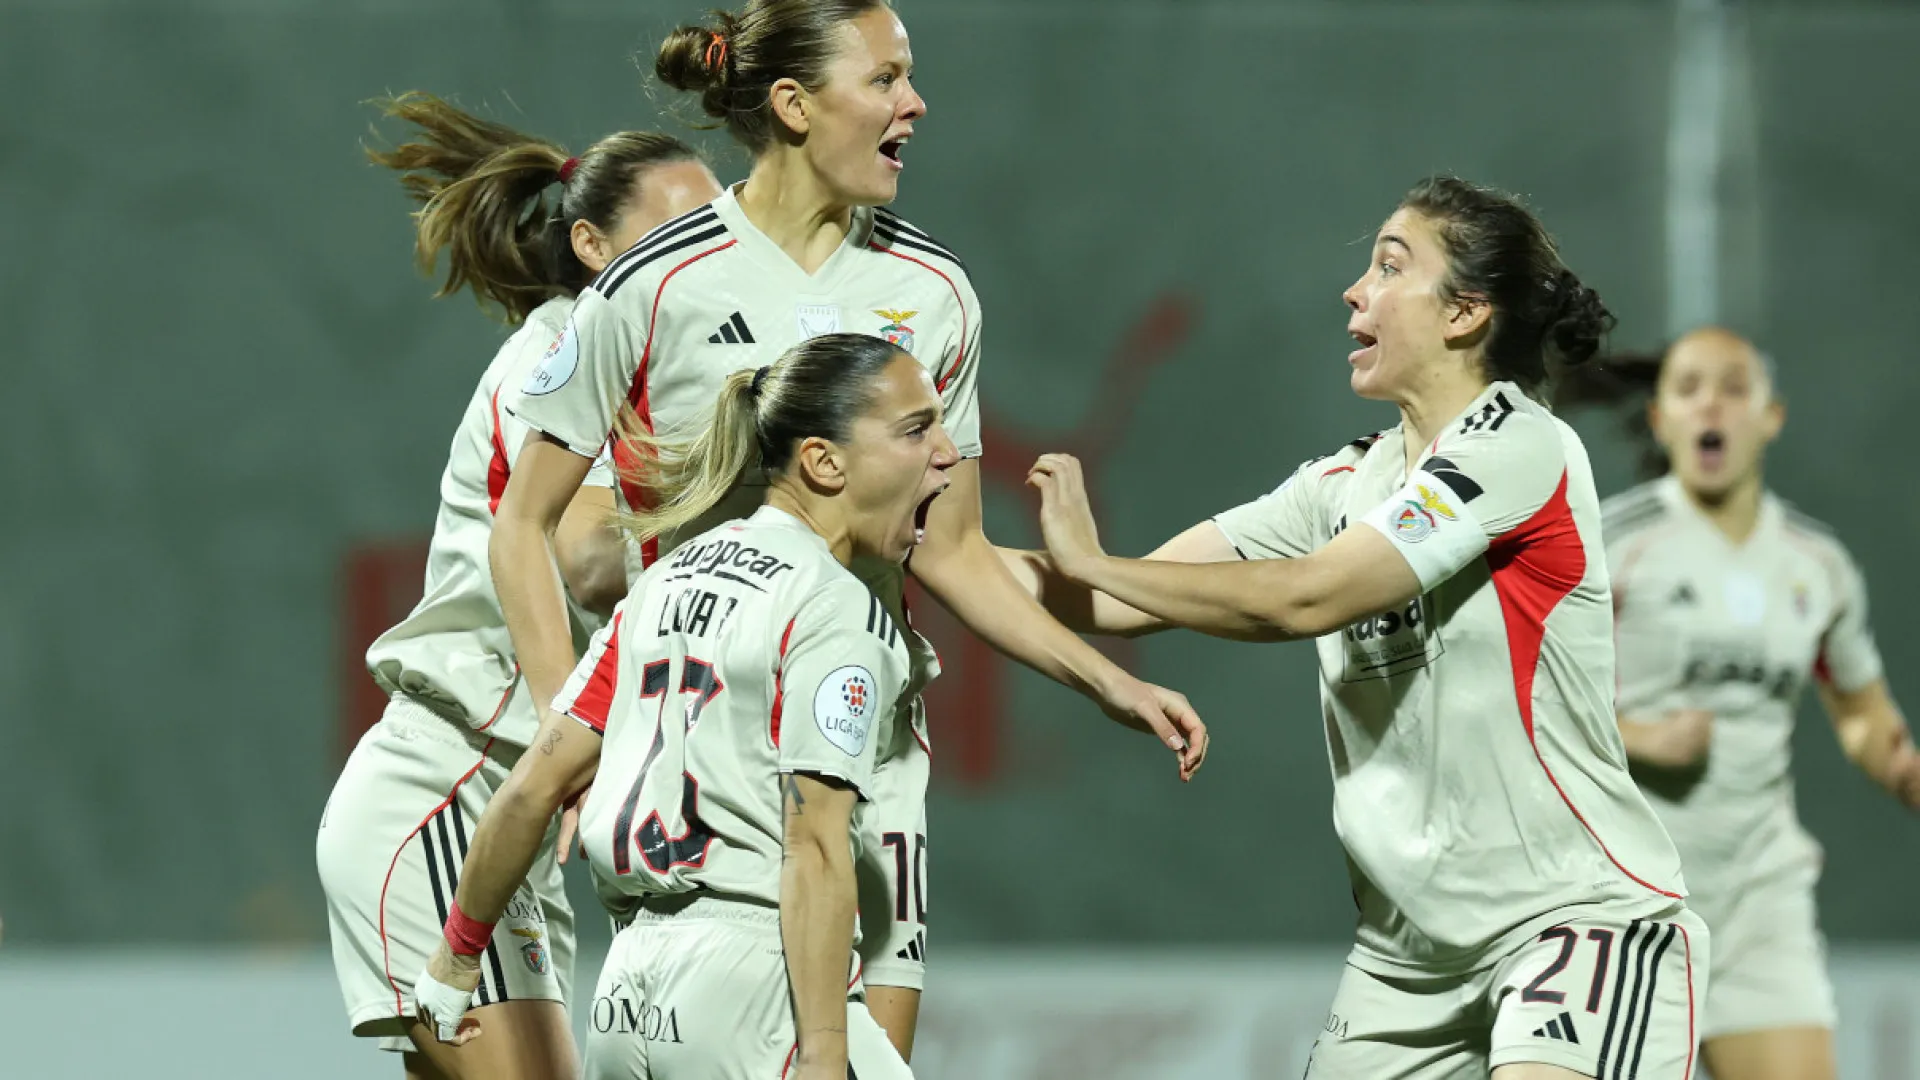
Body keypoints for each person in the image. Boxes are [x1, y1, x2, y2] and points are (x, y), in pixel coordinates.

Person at [488, 0, 1207, 1057]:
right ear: (792, 103)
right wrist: (578, 730)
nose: (914, 103)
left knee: (868, 1053)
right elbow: (524, 527)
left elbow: (951, 551)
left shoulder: (936, 293)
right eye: (883, 79)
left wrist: (1110, 679)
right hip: (706, 747)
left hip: (861, 725)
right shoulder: (656, 286)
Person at [1011, 177, 1710, 1079]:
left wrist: (1094, 559)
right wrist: (916, 538)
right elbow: (1118, 603)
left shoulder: (1520, 445)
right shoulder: (1346, 482)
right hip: (1404, 967)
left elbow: (1303, 599)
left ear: (1463, 313)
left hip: (1571, 923)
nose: (1354, 290)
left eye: (1389, 266)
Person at [413, 333, 958, 1079]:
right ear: (824, 462)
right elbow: (818, 845)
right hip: (757, 983)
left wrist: (454, 960)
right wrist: (826, 1055)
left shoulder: (662, 586)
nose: (949, 451)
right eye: (916, 428)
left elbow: (534, 785)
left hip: (626, 992)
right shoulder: (834, 610)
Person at [316, 93, 722, 1080]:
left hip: (515, 832)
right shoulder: (566, 351)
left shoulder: (654, 372)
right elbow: (582, 553)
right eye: (675, 234)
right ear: (591, 245)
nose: (702, 261)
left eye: (715, 238)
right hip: (448, 789)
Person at [1567, 328, 1920, 1080]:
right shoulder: (1609, 543)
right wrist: (1638, 739)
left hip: (1761, 894)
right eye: (1688, 387)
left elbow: (1859, 711)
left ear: (1771, 417)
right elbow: (1519, 695)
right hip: (1623, 895)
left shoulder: (1817, 565)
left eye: (1733, 386)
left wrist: (1899, 765)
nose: (1711, 403)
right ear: (1662, 420)